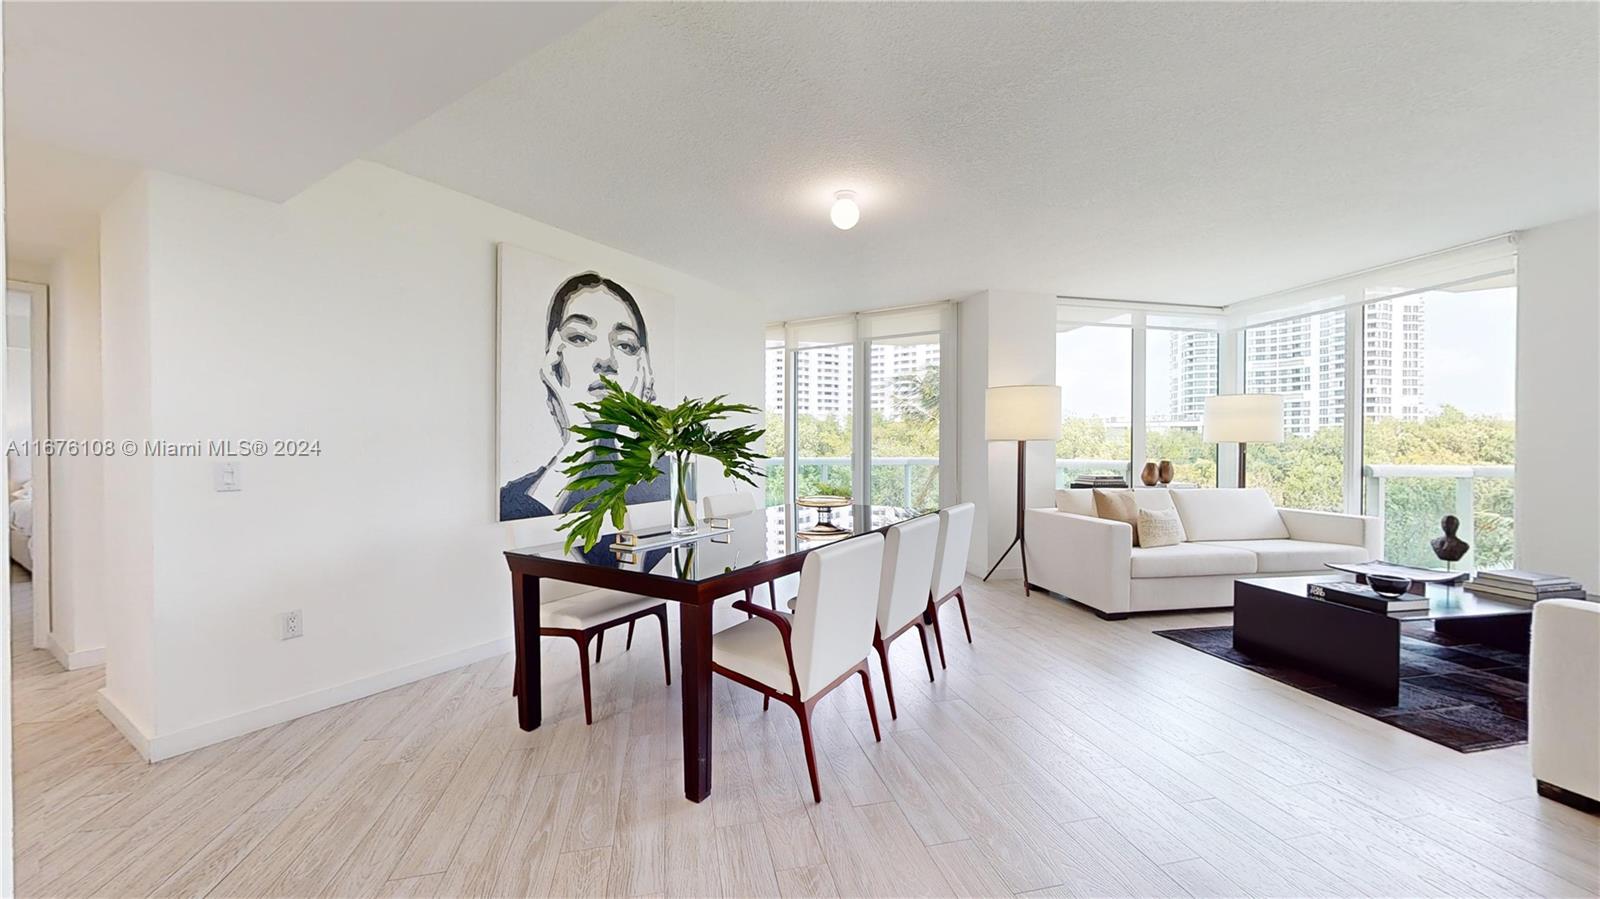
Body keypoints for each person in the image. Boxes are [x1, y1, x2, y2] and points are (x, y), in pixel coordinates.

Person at [500, 272, 669, 520]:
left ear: (643, 367)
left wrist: (629, 432)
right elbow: (518, 554)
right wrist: (577, 442)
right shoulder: (516, 498)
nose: (605, 359)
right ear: (554, 360)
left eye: (624, 345)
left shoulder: (676, 478)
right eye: (579, 338)